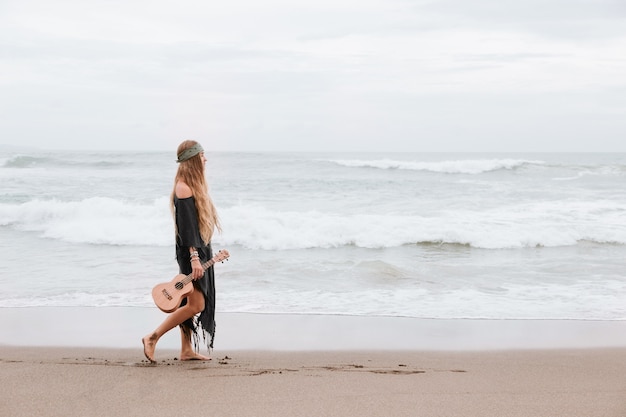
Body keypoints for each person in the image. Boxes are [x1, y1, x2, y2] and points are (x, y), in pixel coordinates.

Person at [142, 140, 221, 363]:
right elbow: (187, 229)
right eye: (202, 155)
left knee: (188, 300)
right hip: (191, 252)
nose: (205, 159)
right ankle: (152, 337)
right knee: (197, 304)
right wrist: (195, 258)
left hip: (199, 248)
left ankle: (186, 350)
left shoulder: (193, 184)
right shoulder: (184, 187)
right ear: (193, 159)